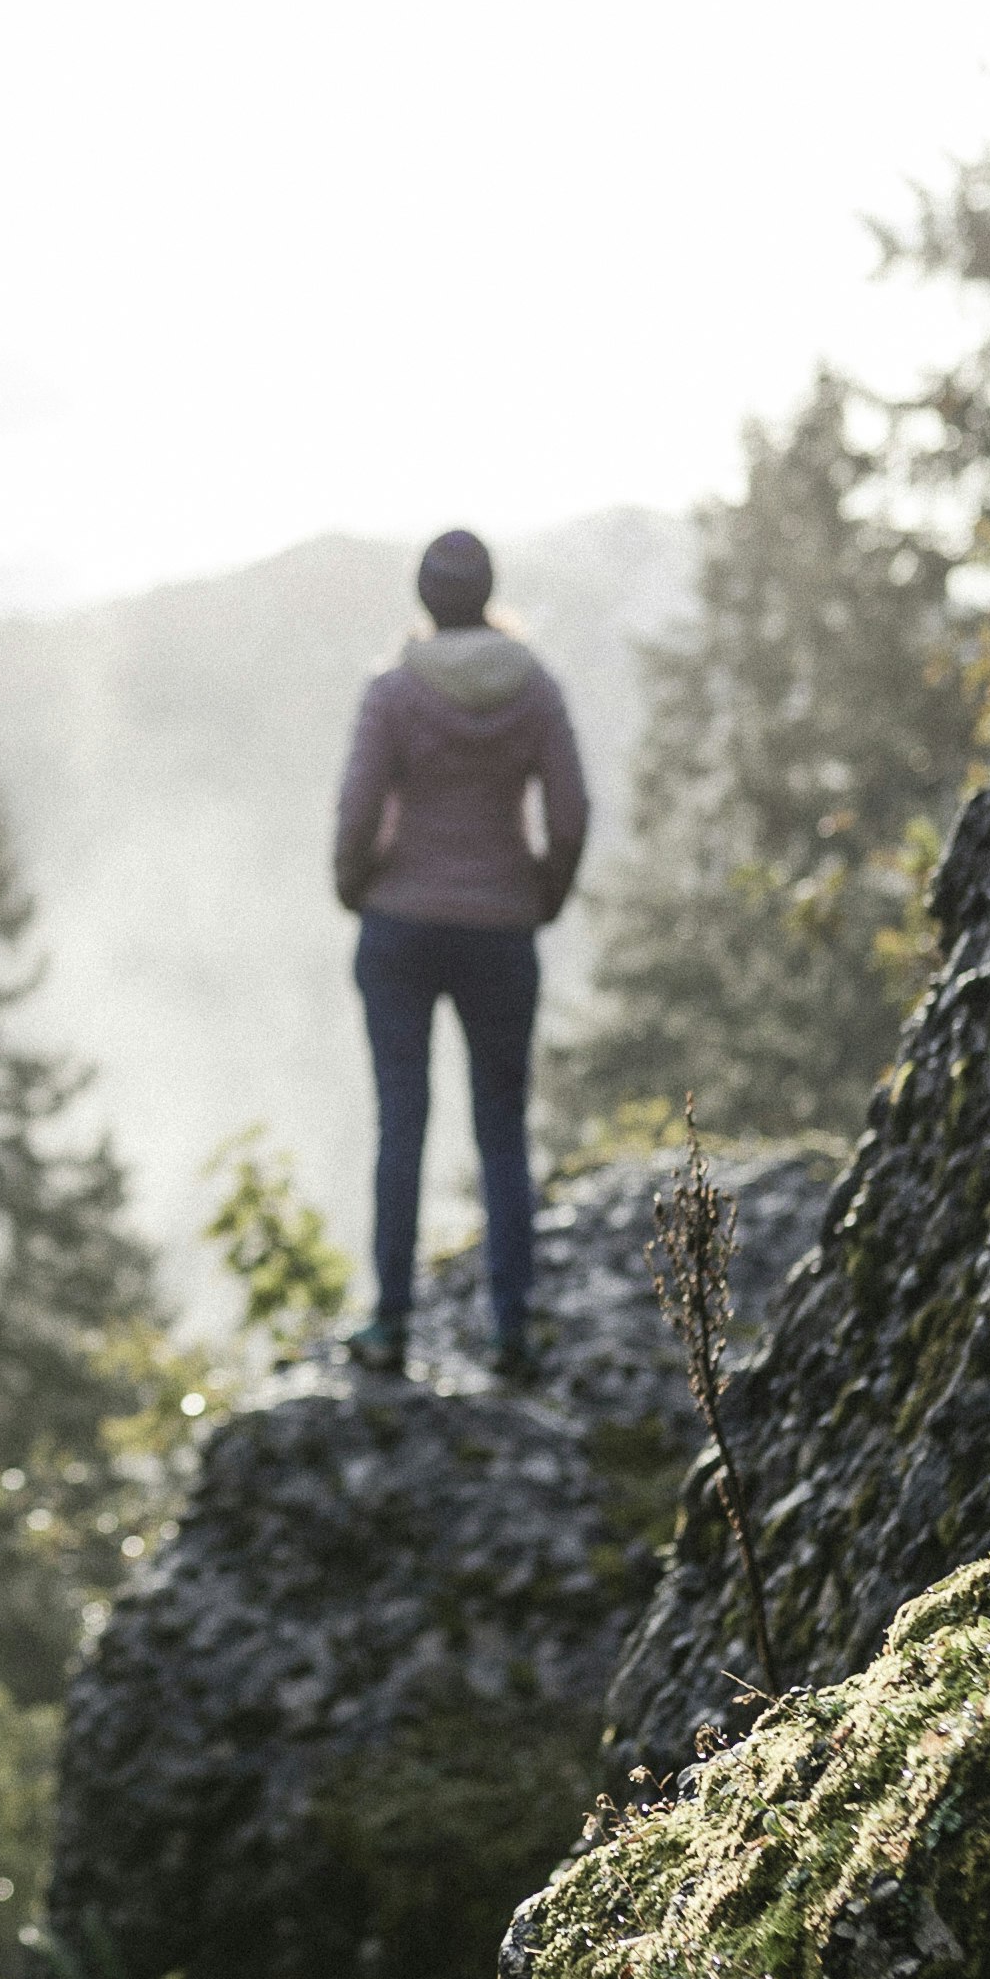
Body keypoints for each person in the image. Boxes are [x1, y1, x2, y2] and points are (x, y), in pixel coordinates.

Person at [329, 526, 587, 1384]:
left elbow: (359, 812)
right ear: (487, 593)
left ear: (425, 599)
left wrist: (353, 885)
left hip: (399, 926)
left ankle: (390, 1325)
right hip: (501, 933)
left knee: (401, 1121)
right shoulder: (536, 688)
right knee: (502, 1128)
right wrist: (539, 895)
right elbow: (572, 812)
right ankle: (511, 1332)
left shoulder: (395, 690)